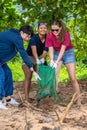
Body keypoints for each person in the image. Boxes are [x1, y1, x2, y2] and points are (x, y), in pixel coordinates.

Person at [0, 25, 41, 110]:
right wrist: (31, 68)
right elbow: (23, 53)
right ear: (21, 32)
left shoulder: (15, 35)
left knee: (8, 73)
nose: (28, 38)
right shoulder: (17, 38)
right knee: (1, 76)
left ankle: (8, 99)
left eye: (29, 37)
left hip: (1, 61)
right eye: (27, 35)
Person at [46, 20, 81, 106]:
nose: (54, 32)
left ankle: (78, 99)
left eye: (56, 30)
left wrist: (57, 61)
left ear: (61, 28)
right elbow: (50, 49)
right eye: (52, 30)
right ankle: (53, 97)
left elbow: (63, 49)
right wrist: (51, 60)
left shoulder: (66, 34)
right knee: (54, 74)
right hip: (56, 53)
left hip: (68, 52)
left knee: (72, 78)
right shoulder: (50, 35)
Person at [22, 22, 48, 102]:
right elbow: (34, 51)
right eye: (41, 28)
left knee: (42, 76)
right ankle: (26, 98)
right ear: (38, 29)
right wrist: (37, 60)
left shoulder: (48, 38)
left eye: (44, 28)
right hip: (29, 57)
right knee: (28, 76)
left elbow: (45, 51)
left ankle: (41, 96)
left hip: (40, 57)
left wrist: (42, 59)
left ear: (47, 29)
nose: (43, 29)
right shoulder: (34, 38)